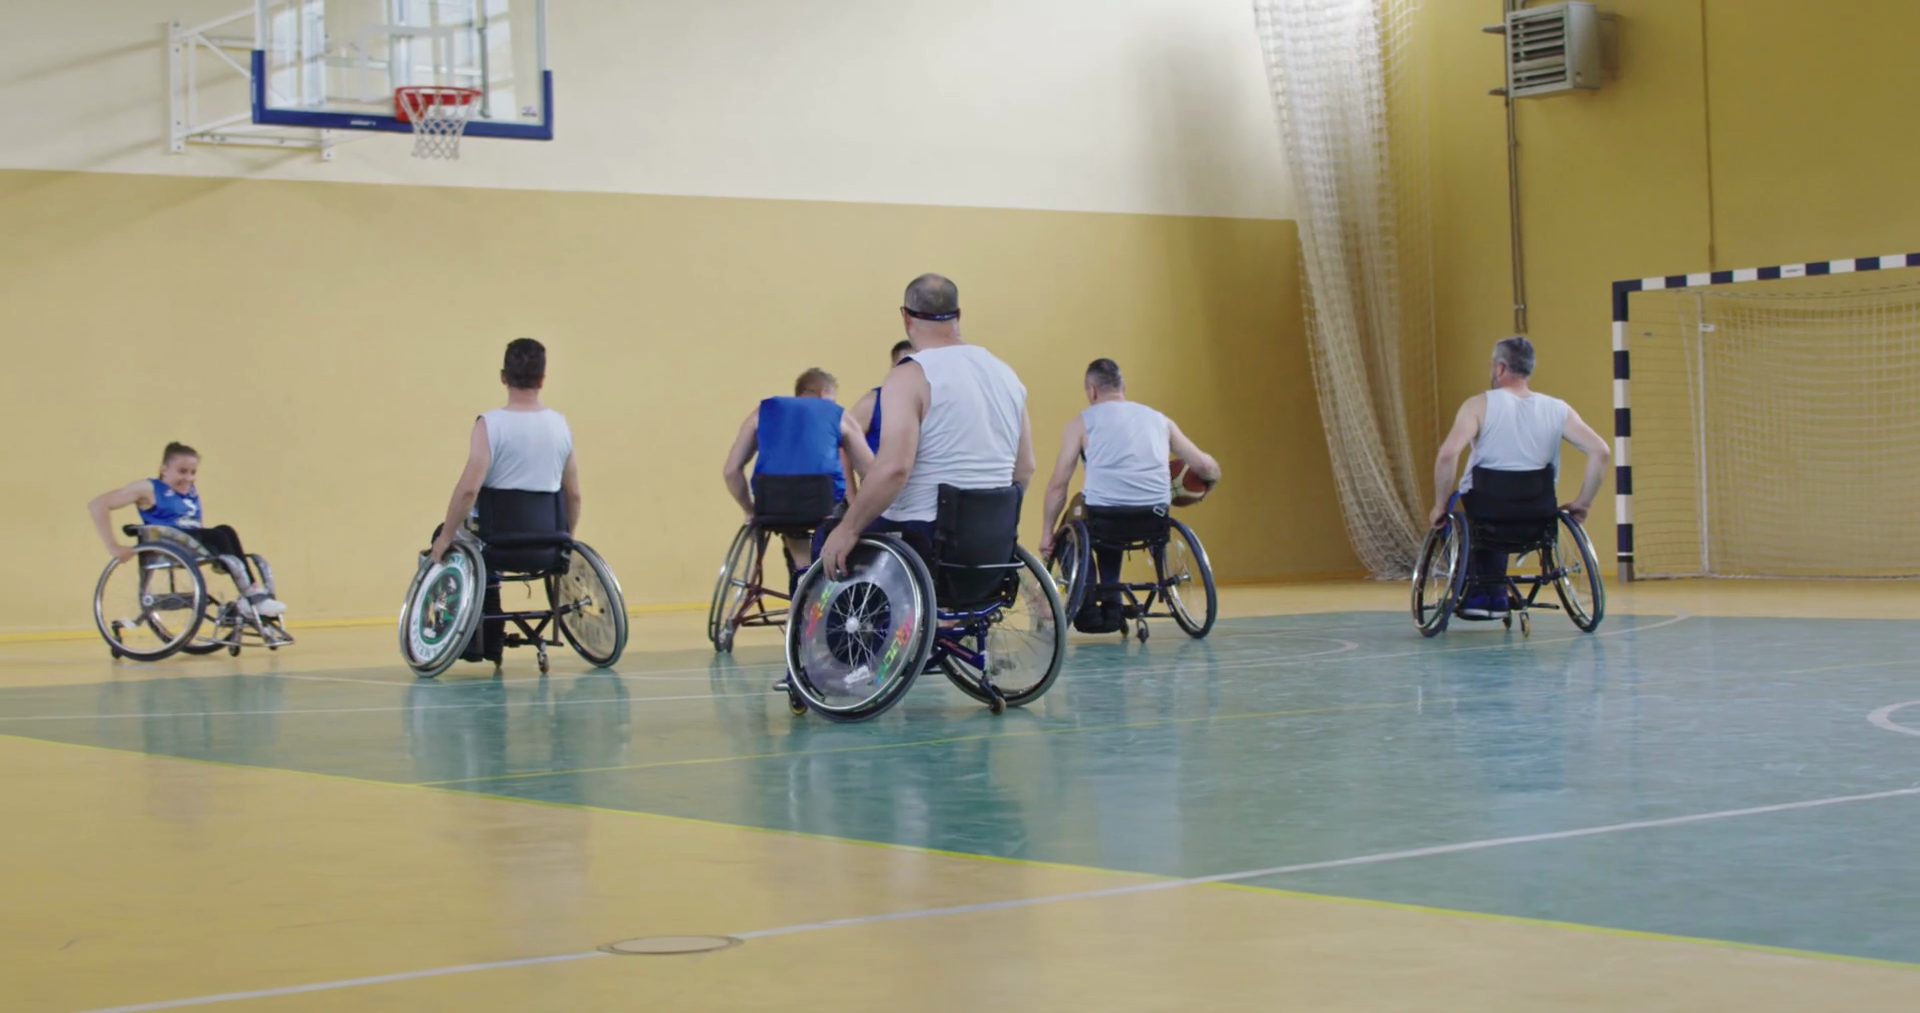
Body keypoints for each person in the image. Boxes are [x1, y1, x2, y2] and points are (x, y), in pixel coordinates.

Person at [816, 273, 1035, 579]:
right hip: (991, 541)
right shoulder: (1006, 374)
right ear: (958, 315)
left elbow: (894, 469)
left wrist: (849, 528)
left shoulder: (909, 376)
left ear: (905, 317)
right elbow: (1024, 469)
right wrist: (991, 518)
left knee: (826, 540)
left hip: (923, 535)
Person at [1429, 335, 1611, 618]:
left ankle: (1477, 592)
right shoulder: (1558, 409)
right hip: (1537, 512)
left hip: (1486, 509)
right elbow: (1601, 451)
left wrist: (1440, 505)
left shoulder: (1478, 405)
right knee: (1497, 512)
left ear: (1500, 368)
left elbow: (1447, 455)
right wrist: (1583, 504)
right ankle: (1497, 595)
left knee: (1461, 510)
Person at [1037, 358, 1220, 632]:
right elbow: (1205, 467)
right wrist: (1209, 483)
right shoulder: (1160, 420)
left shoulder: (1081, 423)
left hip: (1104, 519)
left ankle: (1087, 606)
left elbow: (1058, 485)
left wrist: (1048, 532)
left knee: (1077, 520)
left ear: (1092, 390)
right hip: (1155, 519)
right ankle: (1112, 605)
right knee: (1111, 524)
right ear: (1123, 386)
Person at [429, 337, 579, 664]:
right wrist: (567, 539)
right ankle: (493, 638)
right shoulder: (560, 426)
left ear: (503, 377)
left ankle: (481, 641)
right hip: (548, 546)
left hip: (497, 546)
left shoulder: (490, 424)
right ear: (542, 379)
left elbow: (469, 490)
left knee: (453, 536)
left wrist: (443, 538)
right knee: (476, 536)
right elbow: (574, 494)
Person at [87, 442, 287, 617]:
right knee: (218, 534)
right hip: (170, 543)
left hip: (193, 542)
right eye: (182, 472)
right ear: (164, 469)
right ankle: (252, 597)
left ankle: (250, 593)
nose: (189, 478)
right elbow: (98, 504)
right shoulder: (148, 488)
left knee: (226, 530)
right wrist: (113, 546)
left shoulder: (187, 490)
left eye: (193, 473)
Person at [719, 367, 874, 577]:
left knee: (792, 525)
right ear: (823, 394)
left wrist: (750, 510)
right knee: (847, 520)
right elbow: (870, 471)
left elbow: (731, 471)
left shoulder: (763, 411)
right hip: (824, 505)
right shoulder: (836, 413)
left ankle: (802, 576)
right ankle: (827, 579)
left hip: (773, 506)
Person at [848, 340, 915, 453]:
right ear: (893, 368)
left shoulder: (932, 402)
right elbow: (844, 444)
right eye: (903, 366)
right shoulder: (872, 403)